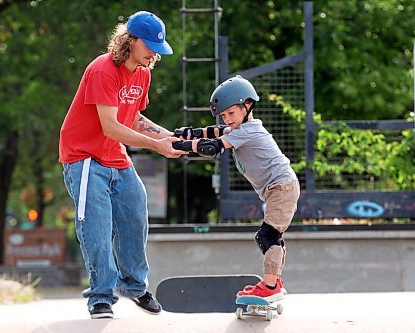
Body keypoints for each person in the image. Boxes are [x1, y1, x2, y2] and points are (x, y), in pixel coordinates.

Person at [59, 11, 186, 319]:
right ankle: (101, 296)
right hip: (84, 156)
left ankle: (133, 286)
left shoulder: (143, 73)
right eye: (150, 46)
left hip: (114, 155)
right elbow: (111, 127)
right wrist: (156, 146)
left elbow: (135, 117)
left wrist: (170, 137)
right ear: (131, 41)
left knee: (135, 212)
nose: (155, 53)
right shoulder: (103, 70)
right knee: (97, 227)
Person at [173, 75, 300, 302]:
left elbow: (214, 146)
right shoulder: (239, 128)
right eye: (223, 115)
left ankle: (270, 286)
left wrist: (180, 145)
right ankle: (274, 282)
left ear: (248, 106)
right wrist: (191, 132)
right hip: (279, 188)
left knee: (268, 236)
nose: (227, 119)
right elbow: (215, 131)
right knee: (272, 236)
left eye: (231, 113)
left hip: (282, 187)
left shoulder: (248, 131)